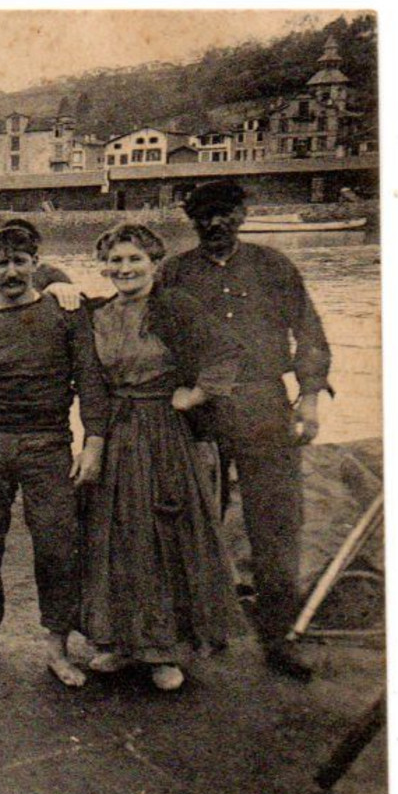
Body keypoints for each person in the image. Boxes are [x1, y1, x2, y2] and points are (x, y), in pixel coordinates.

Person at [156, 178, 331, 681]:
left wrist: (310, 400)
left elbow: (310, 333)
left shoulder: (275, 267)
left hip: (263, 405)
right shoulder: (174, 273)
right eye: (204, 216)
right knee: (194, 520)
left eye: (225, 214)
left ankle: (281, 637)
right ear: (192, 221)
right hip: (198, 413)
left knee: (275, 523)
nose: (214, 225)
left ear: (242, 214)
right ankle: (196, 633)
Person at [0, 223, 110, 688]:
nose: (11, 271)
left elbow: (91, 384)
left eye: (20, 261)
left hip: (47, 445)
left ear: (36, 264)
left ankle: (57, 647)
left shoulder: (65, 315)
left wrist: (93, 442)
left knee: (57, 548)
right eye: (1, 263)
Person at [80, 223, 242, 691]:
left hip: (163, 434)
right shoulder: (100, 314)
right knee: (114, 535)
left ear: (153, 263)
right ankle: (118, 642)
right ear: (105, 266)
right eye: (116, 260)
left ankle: (163, 652)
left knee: (162, 533)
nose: (124, 269)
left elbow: (227, 352)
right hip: (117, 431)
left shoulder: (175, 306)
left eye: (134, 259)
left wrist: (191, 396)